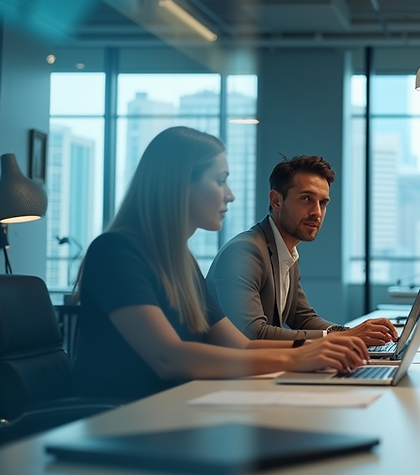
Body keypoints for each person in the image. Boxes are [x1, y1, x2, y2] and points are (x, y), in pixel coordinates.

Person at [74, 127, 369, 402]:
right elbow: (168, 358)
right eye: (219, 180)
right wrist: (298, 357)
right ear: (178, 183)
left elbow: (240, 345)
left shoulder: (180, 260)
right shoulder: (116, 251)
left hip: (180, 406)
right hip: (126, 419)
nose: (230, 195)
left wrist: (322, 347)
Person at [207, 155, 396, 346]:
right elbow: (253, 333)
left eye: (323, 203)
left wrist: (355, 334)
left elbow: (303, 318)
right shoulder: (245, 252)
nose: (317, 212)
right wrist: (345, 337)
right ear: (276, 201)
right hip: (223, 373)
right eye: (306, 199)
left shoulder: (287, 252)